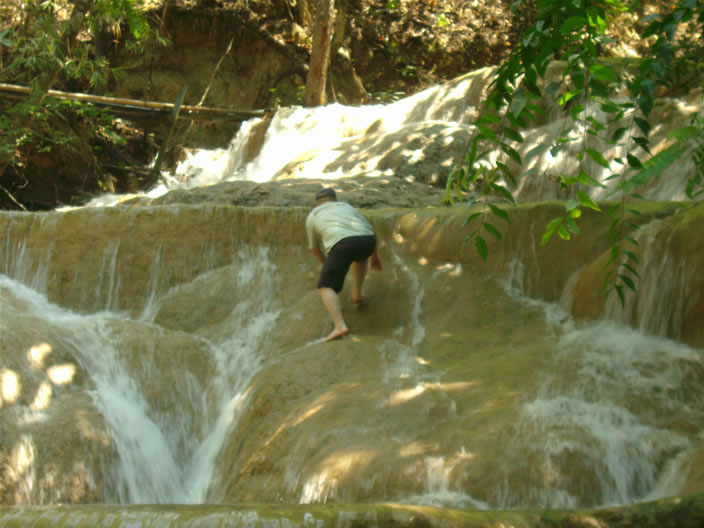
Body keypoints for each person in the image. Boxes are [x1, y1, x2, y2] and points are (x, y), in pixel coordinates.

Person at [305, 187, 383, 342]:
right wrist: (375, 255)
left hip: (342, 243)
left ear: (316, 204)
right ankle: (357, 296)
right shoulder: (347, 207)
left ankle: (340, 326)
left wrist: (327, 265)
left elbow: (314, 249)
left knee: (326, 286)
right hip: (367, 241)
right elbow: (372, 230)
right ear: (335, 200)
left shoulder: (313, 215)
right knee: (360, 258)